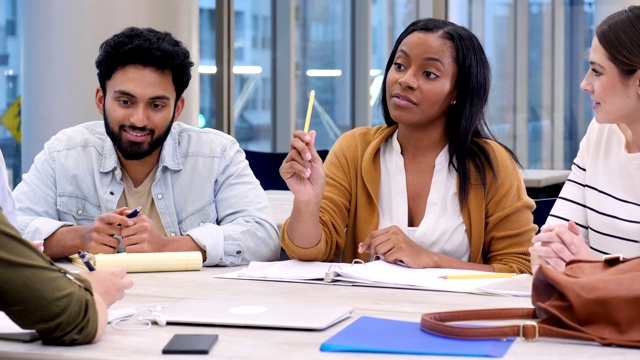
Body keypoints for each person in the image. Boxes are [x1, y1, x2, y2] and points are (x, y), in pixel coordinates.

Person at [279, 18, 535, 273]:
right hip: (368, 308)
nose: (406, 80)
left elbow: (519, 269)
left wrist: (429, 259)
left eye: (429, 74)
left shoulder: (491, 163)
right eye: (399, 66)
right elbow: (308, 252)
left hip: (450, 313)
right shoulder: (355, 148)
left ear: (458, 92)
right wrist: (307, 202)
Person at [13, 27, 279, 266]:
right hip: (92, 306)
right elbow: (10, 232)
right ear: (100, 100)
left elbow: (263, 238)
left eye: (156, 105)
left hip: (192, 307)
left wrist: (168, 247)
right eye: (125, 102)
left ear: (177, 109)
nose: (139, 120)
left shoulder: (217, 154)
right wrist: (80, 237)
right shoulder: (64, 152)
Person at [530, 6, 640, 272]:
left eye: (597, 71)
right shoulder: (601, 132)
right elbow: (547, 249)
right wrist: (549, 256)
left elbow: (579, 264)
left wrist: (593, 268)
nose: (584, 84)